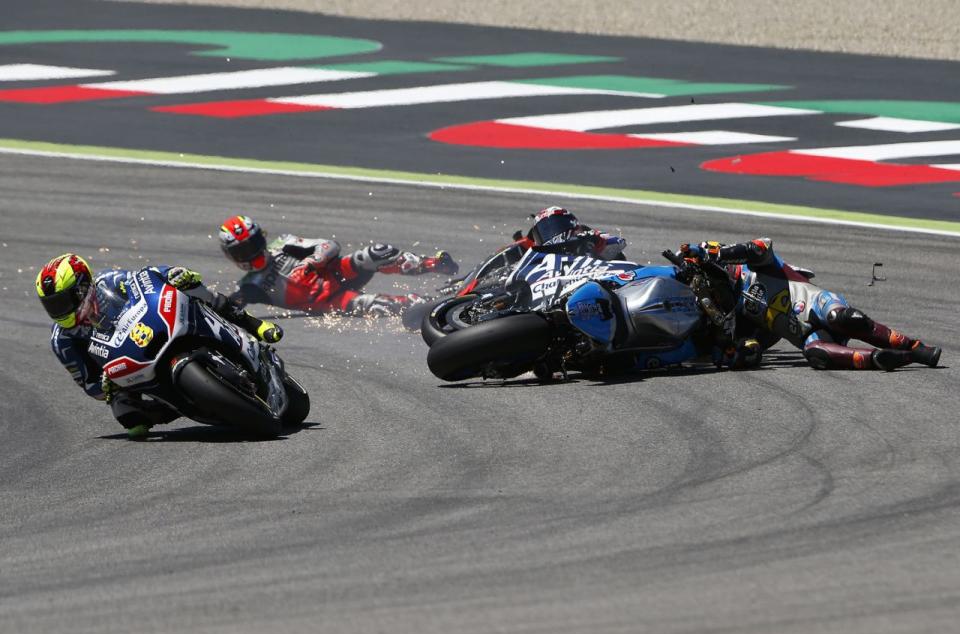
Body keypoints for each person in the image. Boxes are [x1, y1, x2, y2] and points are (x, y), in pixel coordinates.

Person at [36, 253, 283, 436]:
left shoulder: (109, 282)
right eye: (52, 306)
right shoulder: (63, 341)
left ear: (81, 288)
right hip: (124, 371)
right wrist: (104, 386)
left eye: (62, 302)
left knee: (195, 290)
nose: (59, 311)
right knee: (132, 423)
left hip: (150, 329)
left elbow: (144, 279)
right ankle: (179, 405)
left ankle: (253, 325)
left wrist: (171, 274)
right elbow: (88, 385)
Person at [679, 238, 942, 371]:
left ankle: (916, 347)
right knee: (816, 354)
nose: (714, 294)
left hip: (820, 304)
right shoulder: (736, 315)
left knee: (845, 319)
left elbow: (759, 246)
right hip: (809, 334)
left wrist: (714, 252)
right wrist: (735, 352)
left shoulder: (758, 265)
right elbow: (752, 349)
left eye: (711, 283)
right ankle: (883, 360)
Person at [218, 215, 459, 316]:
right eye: (242, 250)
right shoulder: (249, 285)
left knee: (376, 252)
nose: (251, 253)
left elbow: (329, 245)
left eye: (254, 244)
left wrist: (312, 263)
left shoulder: (284, 243)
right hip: (328, 302)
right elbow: (230, 305)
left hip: (336, 272)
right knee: (379, 306)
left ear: (262, 238)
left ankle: (436, 265)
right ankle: (435, 305)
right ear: (232, 255)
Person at [512, 206, 627, 260]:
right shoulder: (539, 253)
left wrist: (593, 240)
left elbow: (619, 242)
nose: (549, 232)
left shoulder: (588, 237)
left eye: (553, 225)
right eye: (543, 230)